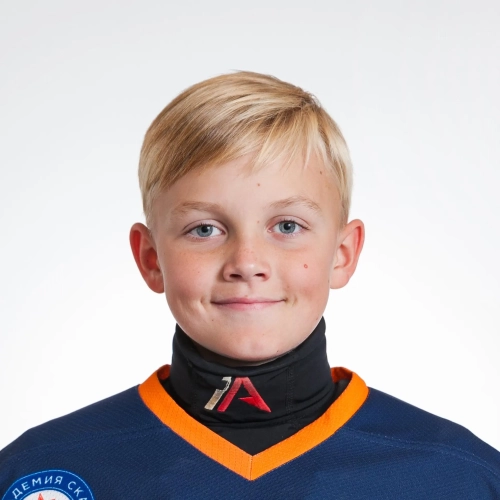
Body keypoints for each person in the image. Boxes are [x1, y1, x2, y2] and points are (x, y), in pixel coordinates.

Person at [1, 71, 499, 500]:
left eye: (287, 226)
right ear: (151, 259)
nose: (247, 263)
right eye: (204, 229)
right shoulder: (39, 471)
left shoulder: (462, 477)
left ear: (343, 254)